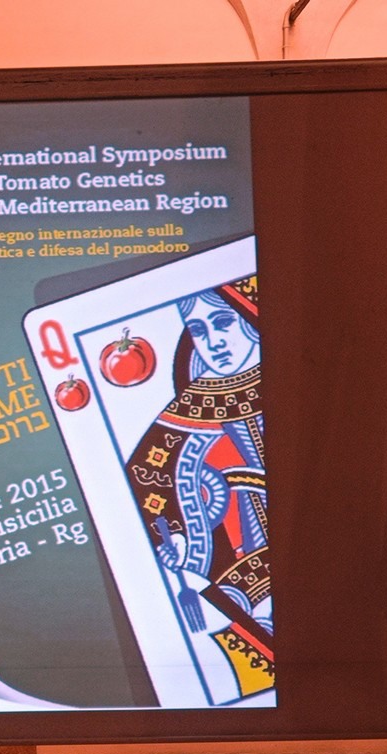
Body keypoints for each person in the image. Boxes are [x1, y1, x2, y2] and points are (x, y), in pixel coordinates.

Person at [124, 276, 272, 699]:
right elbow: (146, 483)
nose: (214, 342)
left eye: (223, 322)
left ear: (249, 319)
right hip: (239, 574)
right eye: (199, 330)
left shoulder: (300, 386)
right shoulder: (189, 409)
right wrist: (176, 541)